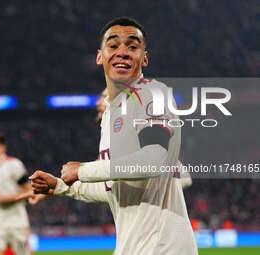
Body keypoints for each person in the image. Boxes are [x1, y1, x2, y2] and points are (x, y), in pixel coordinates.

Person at [31, 17, 198, 255]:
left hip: (163, 248)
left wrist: (82, 170)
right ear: (100, 57)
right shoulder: (111, 115)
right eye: (113, 45)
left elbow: (154, 160)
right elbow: (113, 188)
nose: (123, 52)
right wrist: (59, 186)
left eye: (132, 46)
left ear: (145, 58)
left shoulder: (153, 94)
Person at [0, 133, 33, 255]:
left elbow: (29, 190)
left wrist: (5, 199)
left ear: (2, 147)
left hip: (16, 222)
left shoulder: (14, 165)